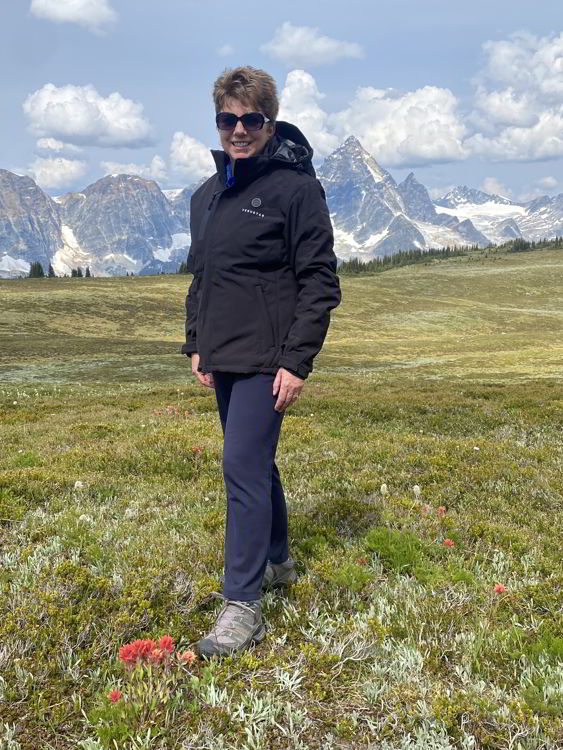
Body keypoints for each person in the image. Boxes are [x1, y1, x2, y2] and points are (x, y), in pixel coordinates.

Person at [182, 66, 341, 658]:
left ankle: (241, 603)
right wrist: (197, 340)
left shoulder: (295, 190)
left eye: (251, 119)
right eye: (229, 119)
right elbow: (204, 276)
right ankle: (277, 560)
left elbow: (320, 280)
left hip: (268, 357)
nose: (239, 129)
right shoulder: (209, 194)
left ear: (270, 122)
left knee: (241, 468)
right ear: (218, 121)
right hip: (223, 353)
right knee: (254, 463)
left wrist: (297, 361)